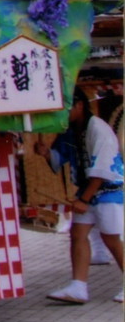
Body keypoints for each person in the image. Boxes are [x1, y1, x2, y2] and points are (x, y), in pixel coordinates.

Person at [34, 87, 124, 304]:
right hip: (86, 191)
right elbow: (59, 157)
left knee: (112, 238)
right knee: (77, 234)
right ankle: (78, 286)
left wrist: (84, 200)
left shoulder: (99, 129)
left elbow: (103, 168)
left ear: (80, 105)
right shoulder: (71, 130)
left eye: (66, 108)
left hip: (108, 190)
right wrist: (47, 153)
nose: (62, 114)